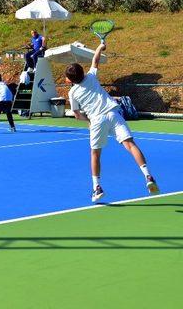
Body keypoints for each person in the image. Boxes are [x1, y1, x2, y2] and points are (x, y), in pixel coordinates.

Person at [66, 42, 159, 203]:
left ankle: (97, 188)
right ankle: (148, 175)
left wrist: (87, 120)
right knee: (130, 144)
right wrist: (100, 47)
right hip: (113, 113)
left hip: (97, 120)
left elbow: (76, 114)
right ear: (82, 73)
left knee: (95, 154)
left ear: (70, 79)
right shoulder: (91, 77)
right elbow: (95, 61)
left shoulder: (73, 92)